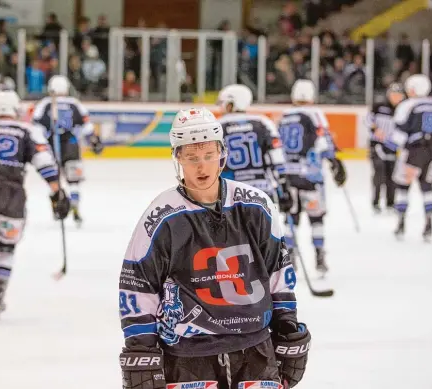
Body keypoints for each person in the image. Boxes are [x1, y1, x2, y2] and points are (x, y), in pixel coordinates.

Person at [118, 107, 311, 389]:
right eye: (192, 158)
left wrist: (287, 328)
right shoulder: (161, 215)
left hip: (255, 351)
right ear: (178, 158)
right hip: (187, 357)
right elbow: (138, 286)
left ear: (222, 154)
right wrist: (141, 350)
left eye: (209, 156)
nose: (202, 167)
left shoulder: (256, 205)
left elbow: (278, 273)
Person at [0, 90, 70, 317]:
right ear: (15, 109)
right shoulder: (26, 130)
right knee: (6, 246)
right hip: (12, 193)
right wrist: (57, 192)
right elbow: (45, 162)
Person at [278, 79, 346, 274]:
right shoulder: (314, 114)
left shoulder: (283, 116)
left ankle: (290, 254)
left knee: (291, 216)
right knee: (316, 218)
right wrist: (334, 161)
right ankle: (319, 255)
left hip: (288, 175)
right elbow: (323, 141)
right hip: (310, 176)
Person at [32, 75, 103, 225]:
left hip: (52, 146)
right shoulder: (74, 103)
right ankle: (75, 200)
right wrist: (94, 140)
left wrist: (39, 145)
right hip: (71, 144)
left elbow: (36, 128)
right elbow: (86, 127)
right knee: (73, 179)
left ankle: (58, 204)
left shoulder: (45, 104)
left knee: (54, 179)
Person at [375, 74, 432, 240]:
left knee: (402, 187)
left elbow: (400, 134)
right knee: (427, 188)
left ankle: (401, 223)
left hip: (413, 152)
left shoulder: (407, 105)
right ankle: (429, 224)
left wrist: (386, 146)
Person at [217, 84, 293, 213]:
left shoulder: (217, 125)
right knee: (264, 232)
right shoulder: (263, 122)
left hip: (231, 192)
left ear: (231, 104)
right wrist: (284, 186)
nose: (221, 108)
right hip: (262, 192)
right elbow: (276, 157)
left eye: (223, 104)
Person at [366, 83, 405, 213]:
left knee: (392, 176)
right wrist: (375, 129)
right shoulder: (379, 106)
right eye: (393, 95)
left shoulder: (403, 109)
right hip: (377, 146)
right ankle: (375, 202)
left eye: (398, 95)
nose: (395, 98)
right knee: (379, 173)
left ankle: (390, 202)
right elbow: (367, 119)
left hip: (393, 147)